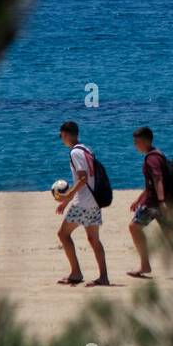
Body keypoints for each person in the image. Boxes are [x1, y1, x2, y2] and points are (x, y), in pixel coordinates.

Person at [54, 120, 109, 286]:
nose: (61, 138)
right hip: (94, 200)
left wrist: (68, 195)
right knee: (94, 239)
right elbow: (86, 179)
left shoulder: (74, 153)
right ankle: (104, 277)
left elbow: (83, 178)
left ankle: (76, 273)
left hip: (83, 202)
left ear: (65, 134)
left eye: (61, 135)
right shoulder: (86, 149)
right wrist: (66, 202)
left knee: (63, 234)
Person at [127, 126, 173, 278]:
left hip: (154, 204)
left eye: (136, 142)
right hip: (161, 201)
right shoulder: (158, 154)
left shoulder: (151, 158)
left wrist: (161, 201)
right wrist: (139, 199)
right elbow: (152, 182)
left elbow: (158, 179)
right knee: (170, 234)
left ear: (144, 141)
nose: (135, 145)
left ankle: (144, 265)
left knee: (134, 227)